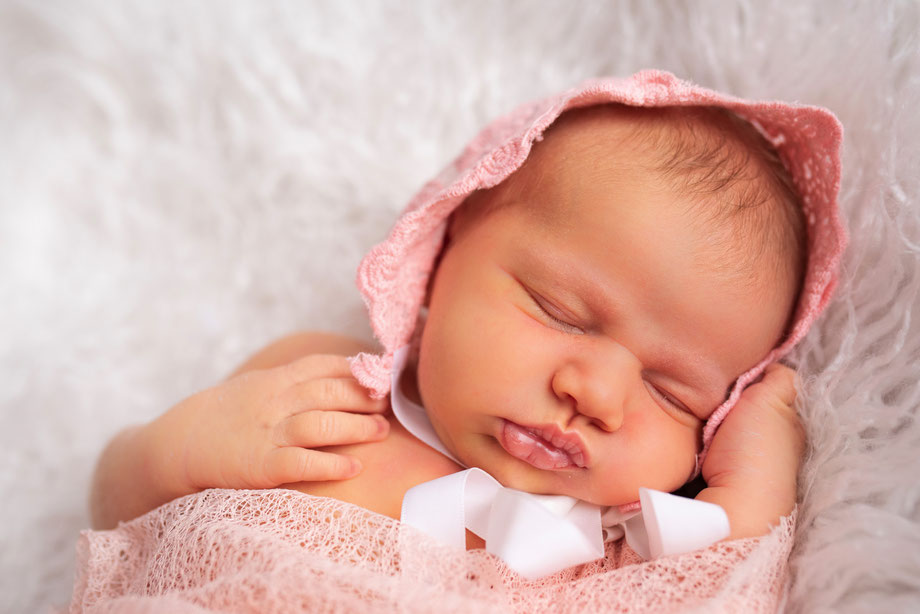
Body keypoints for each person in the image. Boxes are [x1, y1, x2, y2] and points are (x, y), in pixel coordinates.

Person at [88, 73, 844, 569]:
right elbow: (117, 518)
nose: (599, 396)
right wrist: (180, 448)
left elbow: (731, 572)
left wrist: (763, 454)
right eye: (561, 312)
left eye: (675, 394)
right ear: (440, 252)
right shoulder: (324, 397)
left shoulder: (624, 545)